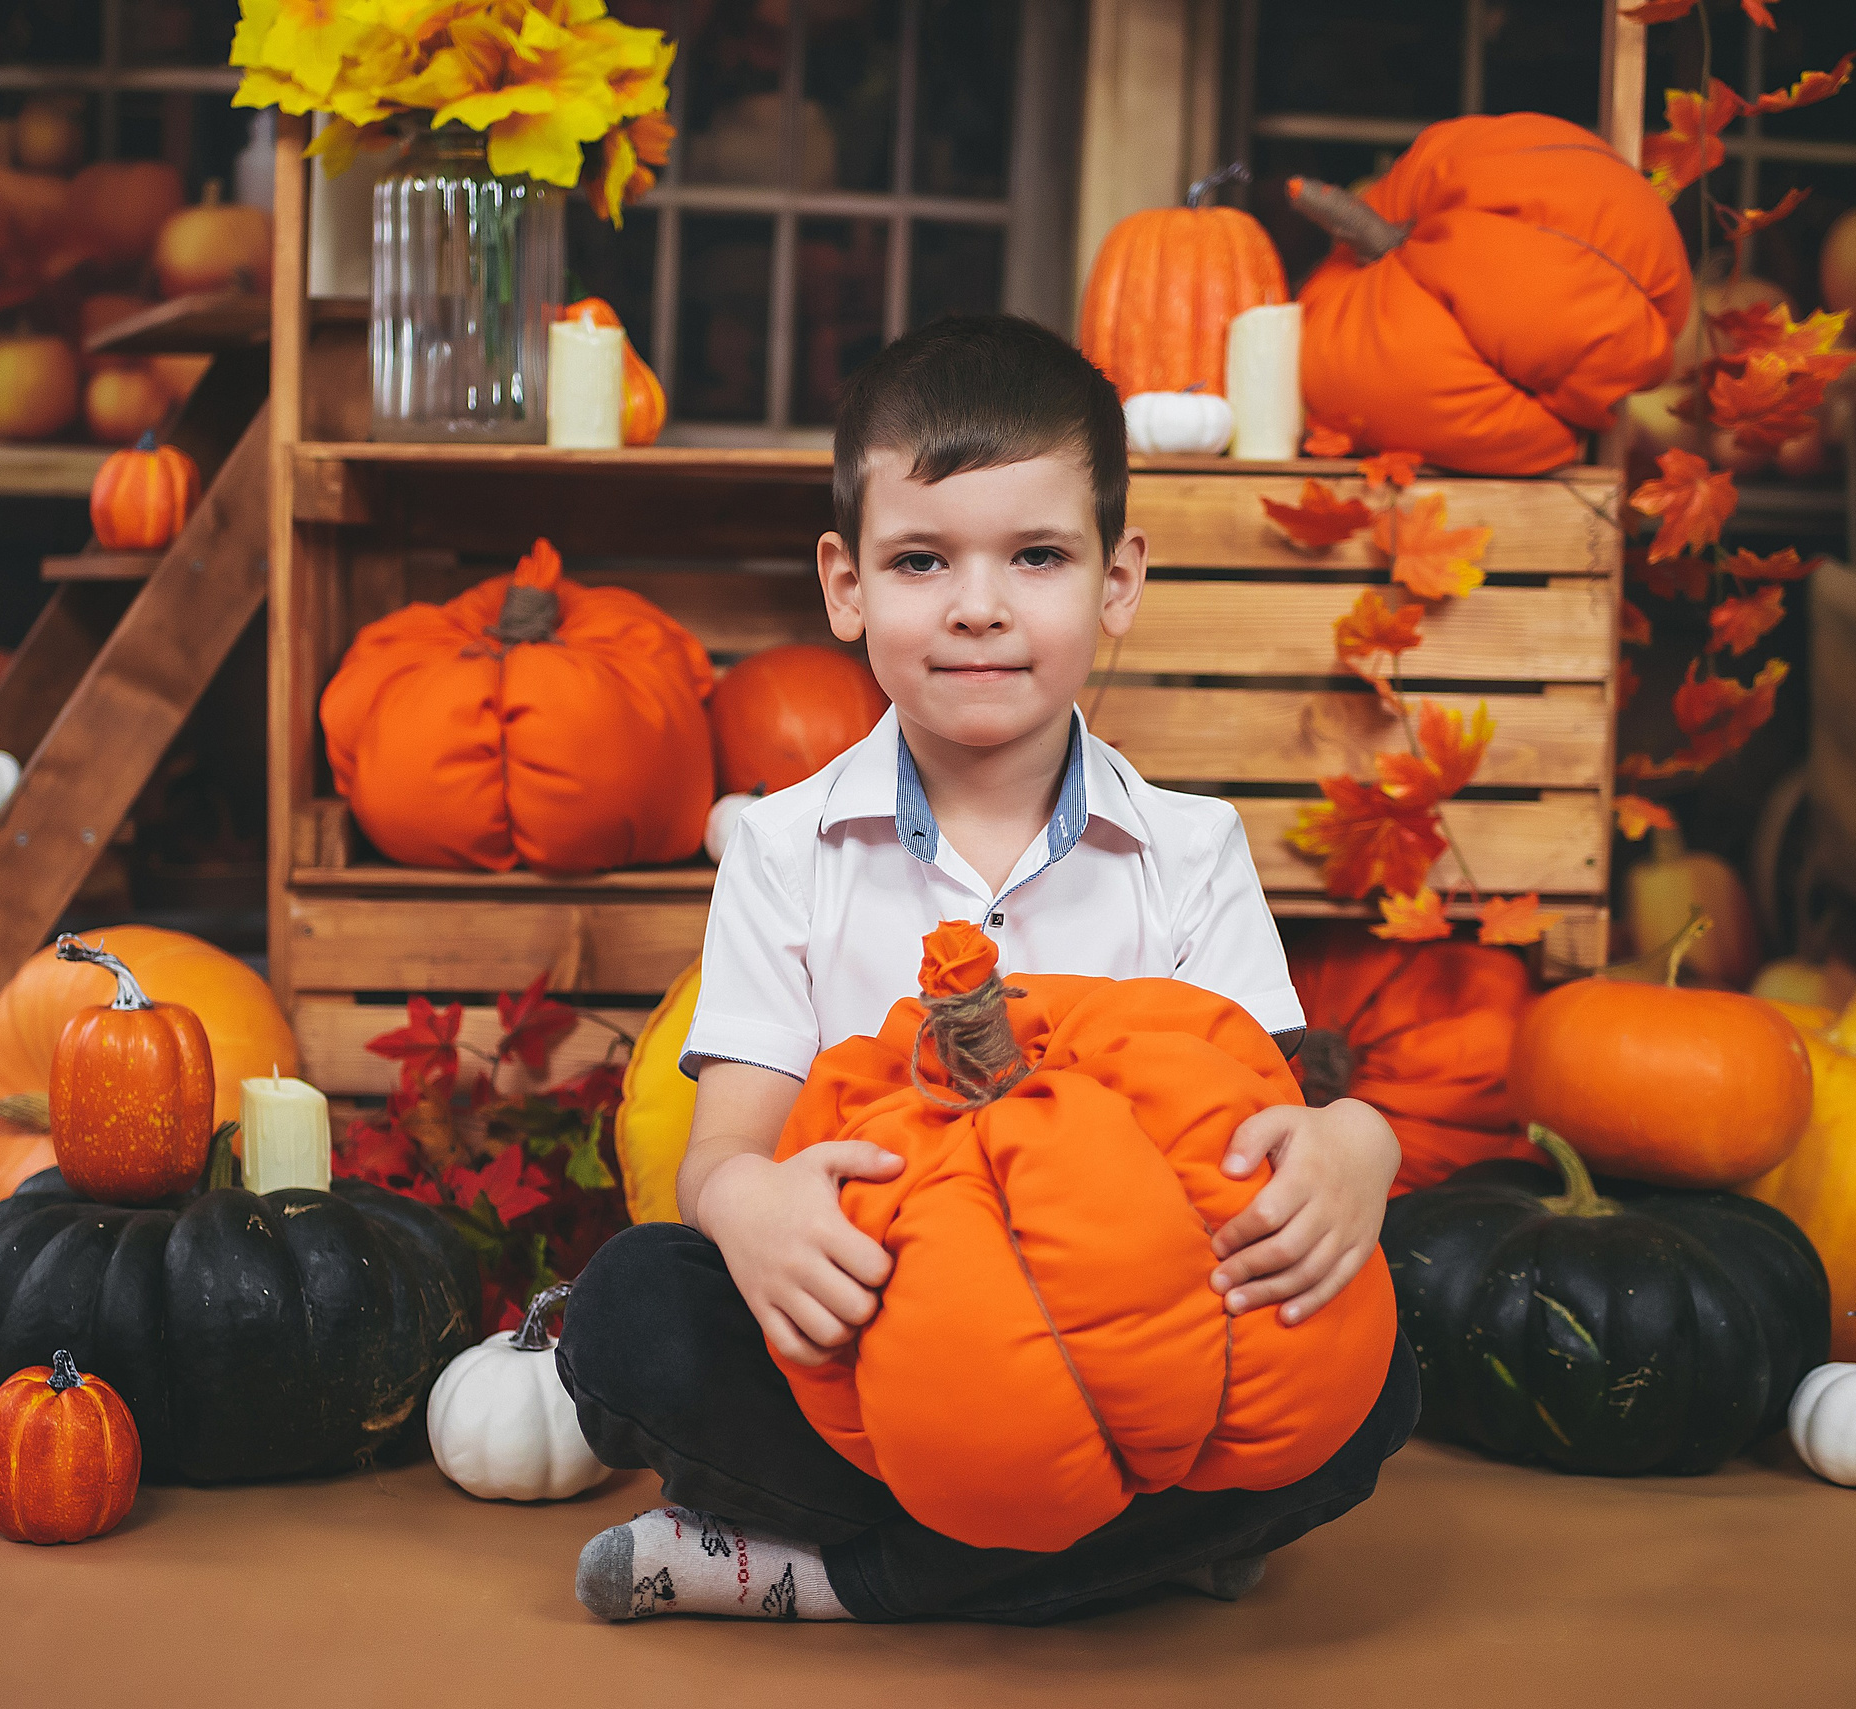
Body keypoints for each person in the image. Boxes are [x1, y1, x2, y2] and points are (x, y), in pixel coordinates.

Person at [556, 315, 1420, 1625]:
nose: (978, 603)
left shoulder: (1189, 849)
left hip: (1139, 1358)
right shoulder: (785, 848)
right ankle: (1119, 1561)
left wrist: (1359, 1143)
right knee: (630, 1311)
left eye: (1036, 555)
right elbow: (718, 1154)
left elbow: (1267, 1131)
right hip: (884, 1355)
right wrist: (755, 1209)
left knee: (1391, 1362)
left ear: (1117, 579)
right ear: (846, 585)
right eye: (921, 559)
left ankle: (836, 1579)